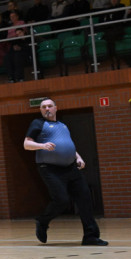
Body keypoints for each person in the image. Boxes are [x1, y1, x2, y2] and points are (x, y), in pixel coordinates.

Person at [23, 98, 108, 246]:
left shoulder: (63, 126)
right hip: (50, 168)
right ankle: (43, 221)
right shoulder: (38, 123)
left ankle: (90, 236)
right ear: (41, 110)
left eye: (50, 106)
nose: (47, 109)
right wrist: (42, 145)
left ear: (56, 108)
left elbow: (69, 145)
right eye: (43, 107)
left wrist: (78, 157)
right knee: (62, 200)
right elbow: (26, 144)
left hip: (70, 168)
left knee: (85, 198)